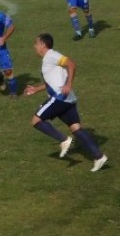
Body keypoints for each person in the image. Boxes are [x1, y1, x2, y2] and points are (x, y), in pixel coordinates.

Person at [24, 33, 108, 172]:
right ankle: (99, 157)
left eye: (36, 43)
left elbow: (71, 64)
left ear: (43, 45)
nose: (34, 46)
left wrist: (69, 84)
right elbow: (53, 81)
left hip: (60, 97)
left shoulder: (51, 55)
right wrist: (36, 89)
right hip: (68, 99)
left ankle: (64, 140)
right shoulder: (48, 60)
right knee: (76, 128)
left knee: (36, 120)